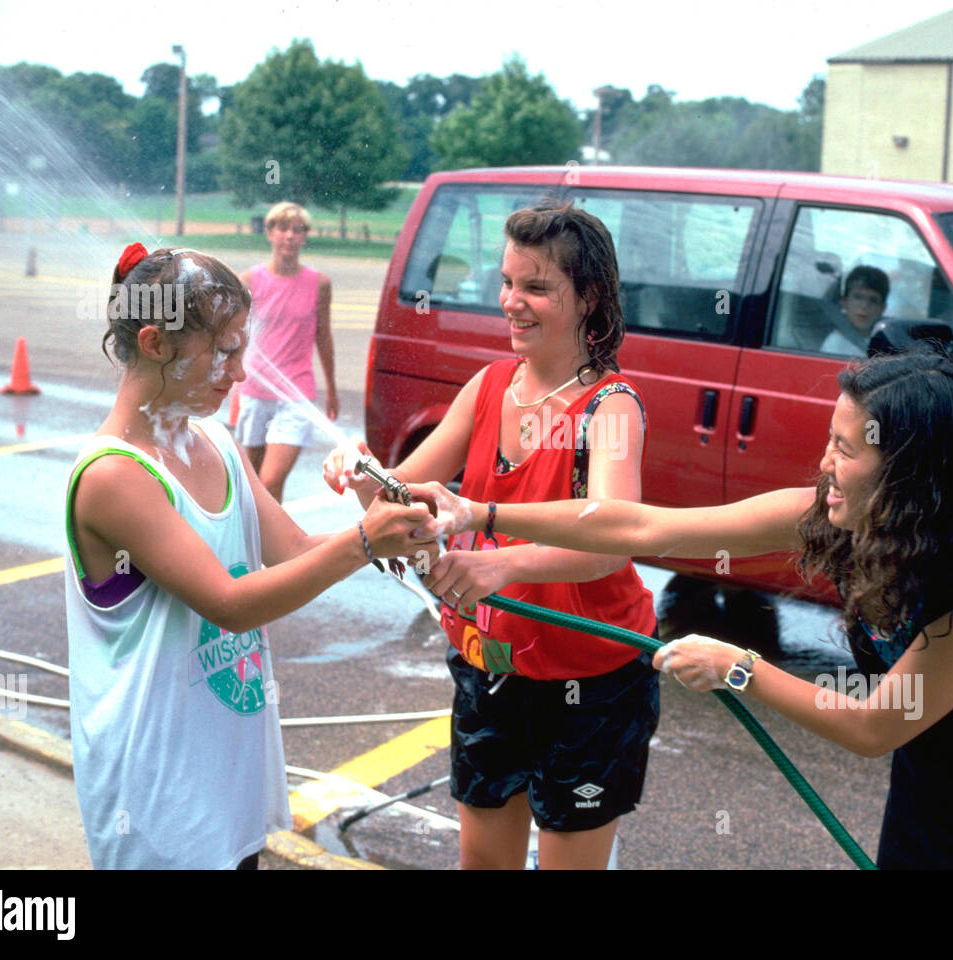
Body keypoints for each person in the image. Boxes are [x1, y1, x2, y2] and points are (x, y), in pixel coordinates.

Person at [410, 351, 953, 869]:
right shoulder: (839, 514)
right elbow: (645, 528)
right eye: (833, 438)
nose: (826, 464)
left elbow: (873, 725)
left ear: (906, 470)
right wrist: (483, 511)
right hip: (931, 782)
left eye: (846, 448)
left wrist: (739, 667)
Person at [65, 242, 433, 869]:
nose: (239, 374)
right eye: (224, 351)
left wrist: (383, 519)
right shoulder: (113, 476)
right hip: (155, 796)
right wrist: (365, 541)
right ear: (153, 343)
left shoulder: (213, 437)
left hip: (224, 776)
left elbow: (294, 552)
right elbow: (230, 604)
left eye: (242, 348)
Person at [325, 202, 656, 871]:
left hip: (590, 681)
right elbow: (403, 496)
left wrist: (500, 569)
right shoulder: (488, 386)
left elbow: (614, 543)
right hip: (491, 667)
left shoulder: (609, 407)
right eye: (506, 282)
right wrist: (361, 474)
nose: (512, 303)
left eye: (536, 288)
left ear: (588, 298)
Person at [235, 201, 337, 501]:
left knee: (270, 480)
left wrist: (331, 388)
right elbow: (236, 337)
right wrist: (232, 388)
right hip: (253, 391)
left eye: (298, 230)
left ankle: (274, 549)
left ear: (305, 236)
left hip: (296, 394)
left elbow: (324, 337)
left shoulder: (319, 283)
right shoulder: (249, 281)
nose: (290, 236)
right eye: (282, 229)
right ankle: (252, 545)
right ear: (269, 233)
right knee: (251, 485)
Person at [819, 265, 889, 357]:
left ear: (882, 308)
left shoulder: (886, 343)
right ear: (844, 302)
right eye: (858, 297)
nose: (864, 306)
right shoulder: (834, 344)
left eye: (873, 300)